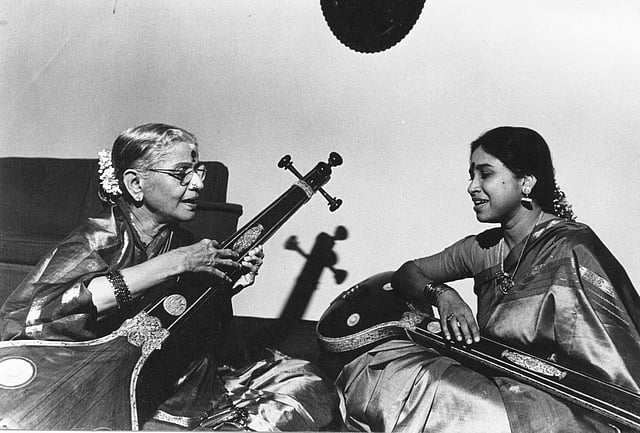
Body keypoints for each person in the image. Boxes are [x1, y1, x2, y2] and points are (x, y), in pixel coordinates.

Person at [0, 123, 343, 431]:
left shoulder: (181, 241)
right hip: (90, 386)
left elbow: (177, 314)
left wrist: (228, 287)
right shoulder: (98, 239)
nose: (198, 184)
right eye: (182, 173)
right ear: (135, 184)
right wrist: (176, 263)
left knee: (307, 384)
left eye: (198, 171)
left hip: (175, 379)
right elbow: (47, 311)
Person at [335, 126, 640, 432]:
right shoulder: (483, 249)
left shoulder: (571, 248)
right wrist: (445, 296)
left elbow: (617, 354)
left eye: (485, 174)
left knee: (437, 393)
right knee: (386, 367)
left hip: (569, 406)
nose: (472, 186)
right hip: (498, 383)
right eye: (471, 175)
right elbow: (407, 273)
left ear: (526, 182)